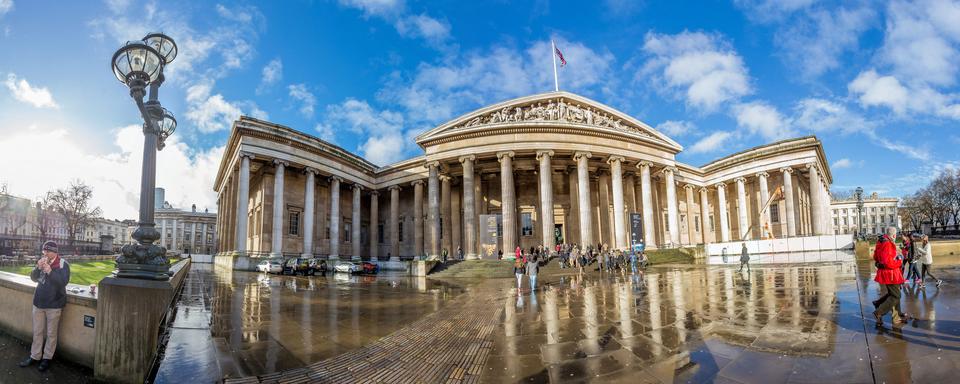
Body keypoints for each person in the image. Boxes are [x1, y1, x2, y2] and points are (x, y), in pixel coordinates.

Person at [19, 241, 71, 372]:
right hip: (39, 302)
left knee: (51, 333)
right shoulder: (42, 261)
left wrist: (50, 271)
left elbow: (63, 282)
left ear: (55, 251)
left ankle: (47, 358)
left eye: (47, 251)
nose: (45, 253)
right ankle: (35, 356)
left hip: (54, 303)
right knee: (37, 331)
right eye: (44, 251)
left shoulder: (63, 264)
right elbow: (33, 278)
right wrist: (37, 268)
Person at [873, 230, 908, 326]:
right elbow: (889, 263)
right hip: (891, 274)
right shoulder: (888, 244)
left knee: (893, 293)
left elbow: (875, 256)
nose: (896, 236)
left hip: (887, 273)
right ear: (893, 235)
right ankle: (879, 311)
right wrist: (899, 261)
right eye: (895, 234)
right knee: (896, 295)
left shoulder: (881, 242)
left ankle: (896, 316)